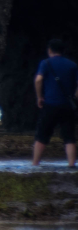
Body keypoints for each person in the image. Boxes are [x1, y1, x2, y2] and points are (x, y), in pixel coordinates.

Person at [33, 38, 78, 167]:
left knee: (42, 134)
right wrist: (74, 97)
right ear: (63, 51)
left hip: (50, 104)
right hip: (67, 105)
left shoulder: (45, 63)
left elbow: (38, 80)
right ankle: (71, 164)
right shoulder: (72, 65)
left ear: (50, 50)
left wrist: (39, 97)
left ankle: (35, 164)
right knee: (69, 136)